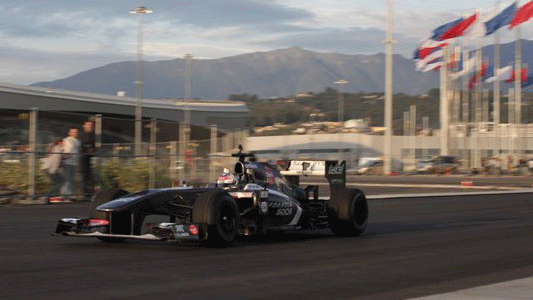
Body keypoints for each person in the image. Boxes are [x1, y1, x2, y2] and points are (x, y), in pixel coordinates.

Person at [62, 127, 81, 200]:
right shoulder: (66, 140)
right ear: (69, 133)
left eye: (76, 132)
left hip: (75, 162)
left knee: (72, 179)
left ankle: (69, 194)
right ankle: (65, 195)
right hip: (68, 162)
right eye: (73, 132)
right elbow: (65, 150)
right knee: (67, 179)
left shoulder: (78, 141)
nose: (75, 133)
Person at [80, 120, 96, 200]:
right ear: (84, 126)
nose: (89, 127)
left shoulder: (92, 135)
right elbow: (82, 146)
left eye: (90, 125)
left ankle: (88, 192)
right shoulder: (82, 136)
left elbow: (93, 146)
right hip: (83, 158)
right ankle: (85, 193)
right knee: (84, 176)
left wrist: (92, 150)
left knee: (88, 176)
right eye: (88, 125)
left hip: (89, 157)